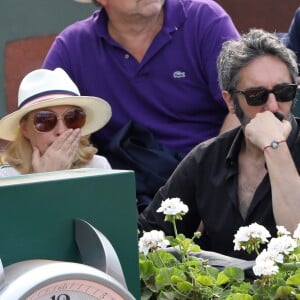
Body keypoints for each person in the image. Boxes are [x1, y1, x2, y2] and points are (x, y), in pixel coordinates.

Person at [42, 0, 240, 211]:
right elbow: (38, 118)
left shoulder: (204, 18)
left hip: (213, 181)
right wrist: (45, 176)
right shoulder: (73, 46)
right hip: (125, 198)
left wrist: (211, 182)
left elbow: (245, 106)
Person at [138, 28, 300, 260]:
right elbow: (146, 235)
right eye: (256, 95)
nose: (273, 106)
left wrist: (275, 146)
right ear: (230, 101)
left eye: (284, 92)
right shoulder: (205, 159)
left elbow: (298, 239)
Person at [0, 68, 112, 177]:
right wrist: (46, 178)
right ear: (25, 129)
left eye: (72, 118)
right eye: (45, 120)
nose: (61, 130)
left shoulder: (98, 168)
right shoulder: (6, 177)